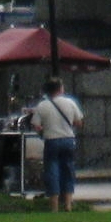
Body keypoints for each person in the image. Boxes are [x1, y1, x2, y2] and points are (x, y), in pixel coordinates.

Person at [31, 76, 83, 212]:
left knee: (52, 171)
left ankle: (54, 206)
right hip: (68, 140)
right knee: (68, 170)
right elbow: (79, 122)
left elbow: (36, 125)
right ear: (60, 88)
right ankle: (68, 204)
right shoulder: (70, 103)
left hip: (51, 140)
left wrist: (44, 130)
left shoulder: (42, 105)